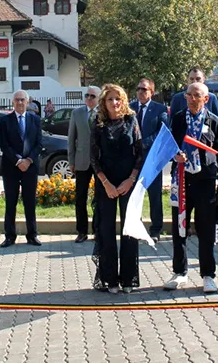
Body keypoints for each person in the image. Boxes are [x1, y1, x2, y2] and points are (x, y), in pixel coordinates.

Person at [163, 82, 218, 293]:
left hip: (205, 181)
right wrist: (176, 155)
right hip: (181, 180)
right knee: (179, 228)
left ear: (205, 99)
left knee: (205, 230)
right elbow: (169, 144)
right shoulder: (178, 118)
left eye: (195, 95)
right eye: (187, 95)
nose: (190, 98)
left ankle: (208, 275)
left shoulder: (214, 121)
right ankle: (180, 273)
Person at [90, 84, 143, 293]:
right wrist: (106, 184)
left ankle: (128, 279)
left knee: (129, 230)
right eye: (110, 99)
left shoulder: (131, 120)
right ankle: (109, 279)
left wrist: (130, 180)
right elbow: (94, 158)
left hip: (128, 182)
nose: (114, 103)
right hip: (106, 184)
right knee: (106, 231)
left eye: (117, 99)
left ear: (123, 100)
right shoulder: (98, 123)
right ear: (104, 102)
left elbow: (139, 153)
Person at [0, 90, 42, 247]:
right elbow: (4, 144)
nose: (20, 102)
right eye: (17, 100)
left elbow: (39, 143)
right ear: (12, 102)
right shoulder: (5, 121)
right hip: (11, 167)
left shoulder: (35, 119)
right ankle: (10, 236)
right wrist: (18, 160)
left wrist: (28, 160)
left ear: (28, 101)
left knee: (30, 202)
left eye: (22, 100)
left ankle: (32, 235)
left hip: (30, 167)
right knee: (11, 202)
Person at [129, 78, 168, 242]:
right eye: (138, 89)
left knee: (154, 196)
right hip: (132, 160)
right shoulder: (130, 108)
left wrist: (143, 143)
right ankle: (134, 228)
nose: (140, 92)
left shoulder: (160, 109)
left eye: (144, 89)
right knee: (133, 195)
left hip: (151, 159)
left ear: (151, 92)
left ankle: (155, 229)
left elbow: (163, 131)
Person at [68, 86, 101, 243]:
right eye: (86, 95)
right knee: (80, 198)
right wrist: (71, 161)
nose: (89, 98)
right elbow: (71, 139)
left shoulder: (104, 113)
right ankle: (81, 231)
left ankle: (97, 230)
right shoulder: (77, 113)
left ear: (99, 98)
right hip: (81, 161)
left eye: (92, 96)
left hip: (99, 162)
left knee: (99, 198)